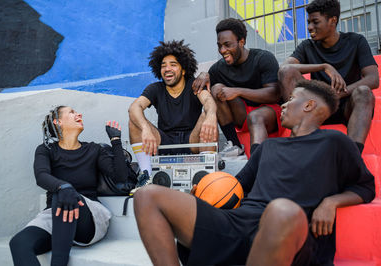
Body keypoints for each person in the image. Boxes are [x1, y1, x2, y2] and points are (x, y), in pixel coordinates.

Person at [133, 79, 375, 265]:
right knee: (148, 195)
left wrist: (331, 202)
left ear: (309, 105)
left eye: (291, 99)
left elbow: (365, 187)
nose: (283, 104)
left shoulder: (334, 142)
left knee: (281, 208)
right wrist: (204, 193)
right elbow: (236, 186)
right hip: (241, 223)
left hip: (290, 230)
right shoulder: (269, 146)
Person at [10, 106, 130, 266]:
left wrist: (116, 141)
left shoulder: (94, 149)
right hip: (54, 214)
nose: (79, 114)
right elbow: (41, 176)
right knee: (19, 244)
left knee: (63, 195)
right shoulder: (46, 150)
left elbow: (121, 178)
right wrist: (64, 187)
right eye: (72, 112)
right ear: (58, 122)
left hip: (89, 217)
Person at [278, 0, 379, 154]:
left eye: (315, 22)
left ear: (333, 20)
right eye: (308, 22)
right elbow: (285, 68)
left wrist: (338, 94)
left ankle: (352, 156)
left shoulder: (356, 41)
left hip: (347, 106)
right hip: (317, 107)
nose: (309, 27)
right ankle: (300, 141)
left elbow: (373, 79)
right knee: (286, 73)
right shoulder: (307, 46)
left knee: (364, 91)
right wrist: (324, 66)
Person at [128, 40, 218, 193]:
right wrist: (145, 128)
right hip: (164, 142)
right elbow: (134, 107)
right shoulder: (155, 88)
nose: (167, 69)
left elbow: (208, 101)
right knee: (134, 120)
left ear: (183, 70)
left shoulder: (193, 85)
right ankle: (147, 176)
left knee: (207, 115)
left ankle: (207, 179)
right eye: (163, 65)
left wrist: (211, 116)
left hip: (192, 141)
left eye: (173, 64)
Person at [193, 18, 282, 157]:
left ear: (242, 41)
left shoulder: (263, 58)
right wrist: (205, 74)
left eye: (227, 45)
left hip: (270, 113)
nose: (223, 50)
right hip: (242, 115)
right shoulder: (219, 68)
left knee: (255, 116)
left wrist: (238, 91)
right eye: (220, 45)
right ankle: (234, 145)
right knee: (216, 89)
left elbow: (274, 94)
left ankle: (256, 162)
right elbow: (207, 86)